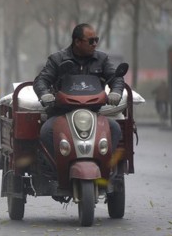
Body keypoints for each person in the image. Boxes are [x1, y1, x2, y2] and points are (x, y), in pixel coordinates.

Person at [33, 23, 125, 162]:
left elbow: (116, 78)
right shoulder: (57, 59)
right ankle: (58, 167)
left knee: (115, 129)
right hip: (61, 114)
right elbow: (41, 80)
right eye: (90, 41)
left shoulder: (102, 59)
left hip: (93, 114)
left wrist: (116, 92)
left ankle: (103, 166)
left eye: (96, 40)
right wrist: (45, 94)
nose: (95, 44)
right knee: (47, 131)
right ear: (77, 41)